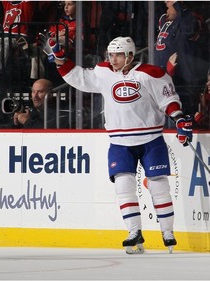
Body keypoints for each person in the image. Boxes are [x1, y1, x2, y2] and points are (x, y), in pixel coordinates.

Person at [48, 36, 193, 254]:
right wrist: (60, 58)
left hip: (151, 139)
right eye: (111, 54)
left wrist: (179, 118)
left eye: (117, 55)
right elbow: (78, 77)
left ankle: (167, 232)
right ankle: (134, 232)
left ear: (130, 56)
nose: (112, 59)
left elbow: (168, 100)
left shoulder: (150, 74)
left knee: (158, 186)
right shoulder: (104, 73)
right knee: (123, 187)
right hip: (119, 142)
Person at [154, 1, 206, 116]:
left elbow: (190, 30)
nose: (166, 7)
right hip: (163, 80)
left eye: (169, 3)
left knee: (182, 117)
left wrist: (178, 6)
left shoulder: (188, 18)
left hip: (182, 84)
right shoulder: (165, 21)